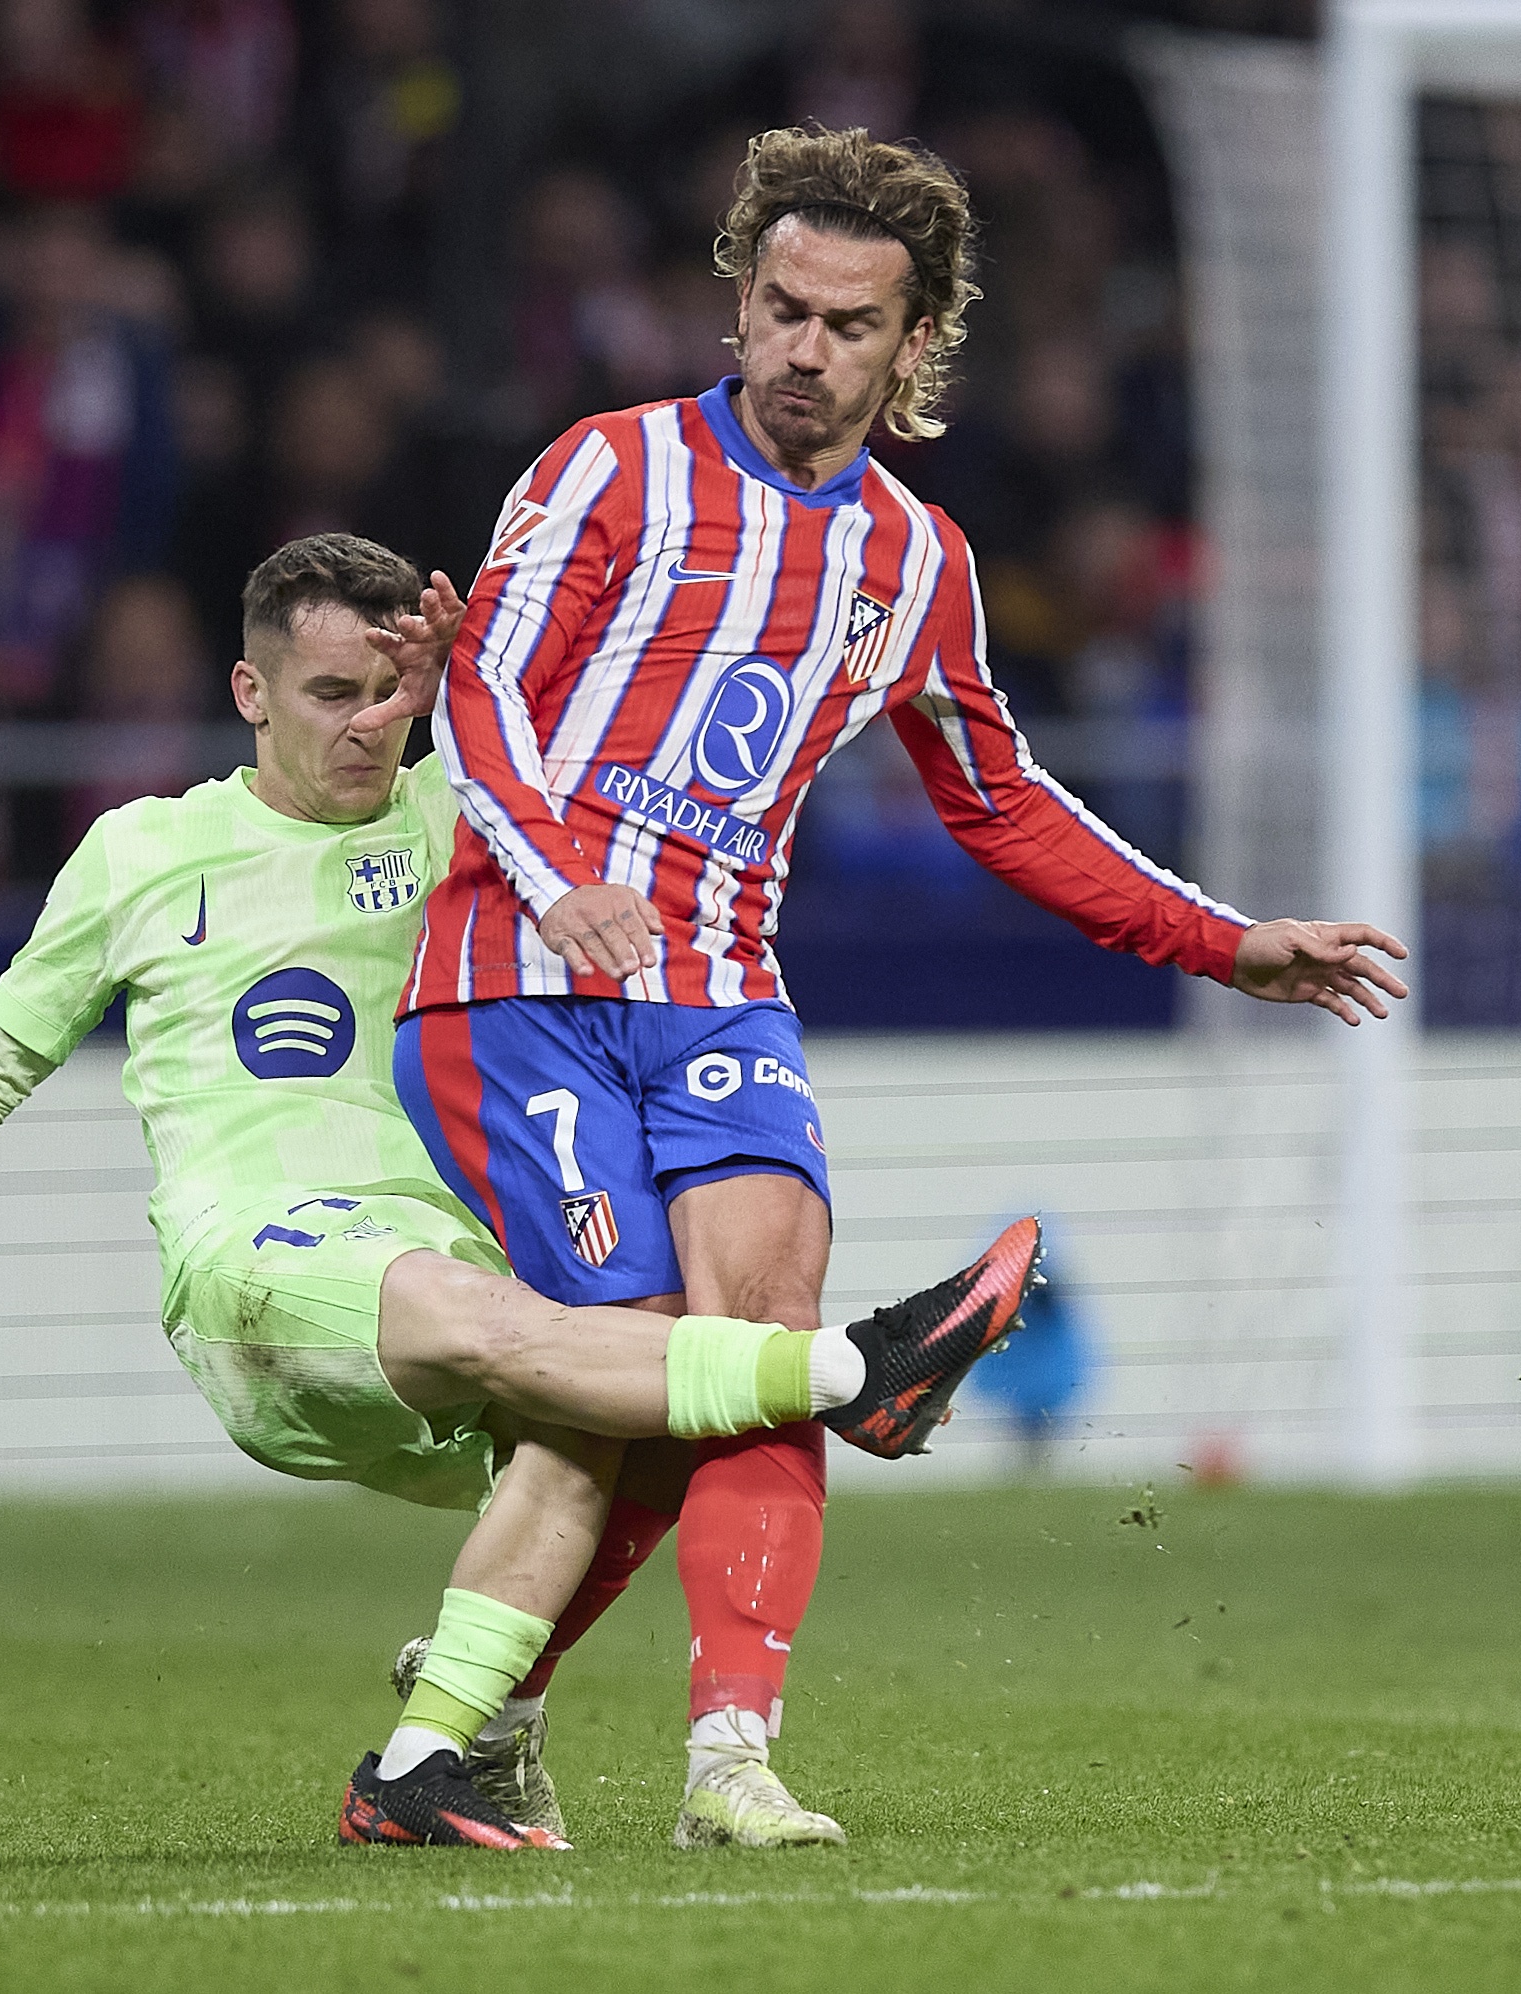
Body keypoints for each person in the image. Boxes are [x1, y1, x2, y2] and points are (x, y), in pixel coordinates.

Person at [0, 532, 1041, 1853]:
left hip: (430, 1266)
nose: (369, 725)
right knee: (528, 1327)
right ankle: (856, 1370)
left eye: (391, 695)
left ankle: (432, 1761)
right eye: (331, 694)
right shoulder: (143, 851)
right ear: (250, 692)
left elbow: (600, 730)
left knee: (605, 1410)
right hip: (253, 1265)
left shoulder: (463, 815)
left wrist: (481, 670)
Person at [353, 127, 1408, 1851]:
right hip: (511, 978)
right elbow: (484, 696)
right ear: (739, 301)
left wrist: (1223, 939)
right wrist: (561, 879)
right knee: (657, 1364)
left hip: (719, 986)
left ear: (915, 345)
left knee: (764, 1339)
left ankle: (728, 1763)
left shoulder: (920, 562)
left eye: (849, 324)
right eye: (781, 307)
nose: (804, 348)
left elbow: (1001, 800)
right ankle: (479, 1705)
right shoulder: (609, 469)